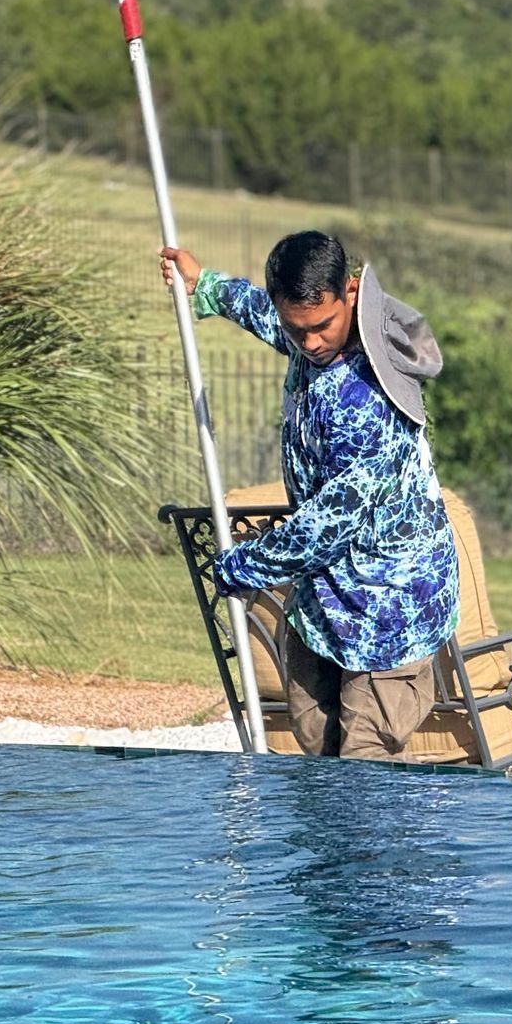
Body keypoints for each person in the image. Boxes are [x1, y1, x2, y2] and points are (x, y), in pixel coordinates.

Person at [160, 230, 460, 760]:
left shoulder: (370, 401)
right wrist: (202, 285)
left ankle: (387, 842)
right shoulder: (308, 336)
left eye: (322, 327)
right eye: (298, 331)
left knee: (365, 768)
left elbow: (328, 524)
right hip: (326, 599)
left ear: (349, 294)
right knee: (316, 747)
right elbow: (265, 312)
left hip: (391, 602)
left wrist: (243, 565)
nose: (312, 342)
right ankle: (333, 844)